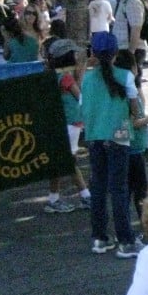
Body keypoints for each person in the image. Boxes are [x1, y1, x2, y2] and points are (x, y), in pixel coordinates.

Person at [82, 32, 142, 258]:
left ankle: (99, 238)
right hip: (119, 135)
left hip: (94, 135)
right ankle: (125, 240)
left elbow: (83, 106)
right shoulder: (125, 75)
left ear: (93, 54)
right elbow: (134, 107)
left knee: (98, 187)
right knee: (119, 188)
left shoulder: (87, 78)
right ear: (116, 52)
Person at [44, 39, 91, 213]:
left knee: (64, 161)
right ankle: (83, 196)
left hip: (66, 122)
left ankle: (56, 198)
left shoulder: (53, 74)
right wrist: (82, 72)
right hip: (70, 122)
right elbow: (81, 97)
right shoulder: (65, 77)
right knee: (67, 161)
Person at [115, 49, 148, 224]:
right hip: (132, 148)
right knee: (139, 189)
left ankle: (126, 224)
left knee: (129, 189)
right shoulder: (128, 92)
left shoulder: (125, 87)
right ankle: (144, 222)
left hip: (130, 146)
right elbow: (132, 121)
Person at [111, 0, 145, 76]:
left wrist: (131, 52)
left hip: (129, 51)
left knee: (130, 85)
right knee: (130, 86)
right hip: (122, 49)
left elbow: (136, 27)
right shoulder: (124, 1)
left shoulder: (132, 1)